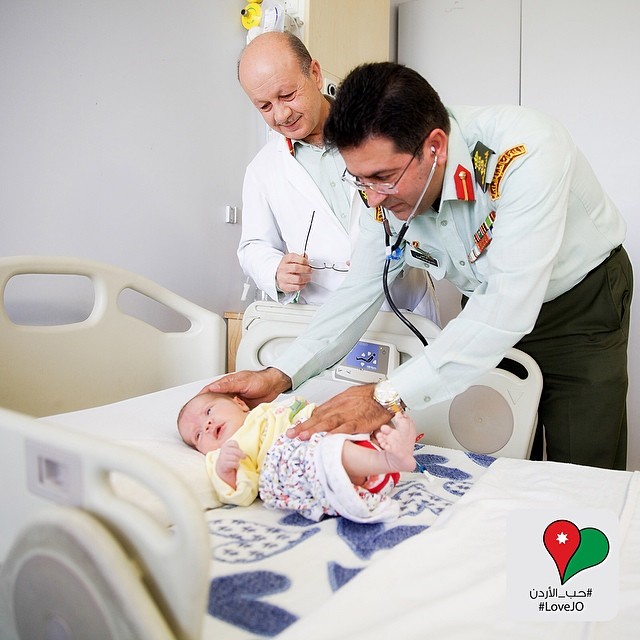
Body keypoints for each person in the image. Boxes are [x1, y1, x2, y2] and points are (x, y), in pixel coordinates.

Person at [205, 61, 632, 471]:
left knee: (582, 462)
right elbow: (359, 291)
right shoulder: (380, 194)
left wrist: (385, 397)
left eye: (384, 177)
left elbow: (509, 303)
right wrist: (281, 373)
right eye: (360, 180)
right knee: (499, 449)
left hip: (578, 304)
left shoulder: (525, 151)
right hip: (482, 304)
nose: (373, 198)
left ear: (435, 147)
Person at [236, 31, 439, 321]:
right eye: (265, 106)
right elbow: (253, 246)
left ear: (315, 74)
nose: (281, 115)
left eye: (287, 95)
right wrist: (275, 271)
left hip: (403, 307)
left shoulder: (379, 126)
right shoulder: (262, 170)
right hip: (325, 315)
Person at [177, 390, 419, 522]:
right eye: (197, 435)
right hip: (296, 464)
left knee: (348, 426)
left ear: (240, 403)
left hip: (319, 436)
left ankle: (390, 443)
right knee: (326, 453)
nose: (207, 425)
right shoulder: (225, 452)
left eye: (209, 411)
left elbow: (310, 413)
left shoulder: (268, 411)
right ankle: (389, 460)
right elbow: (243, 493)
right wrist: (225, 471)